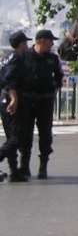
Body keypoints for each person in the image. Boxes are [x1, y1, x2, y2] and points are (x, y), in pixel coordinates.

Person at [18, 29, 63, 179]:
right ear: (42, 41)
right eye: (51, 41)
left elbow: (59, 76)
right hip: (27, 99)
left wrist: (55, 88)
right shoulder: (25, 56)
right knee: (25, 134)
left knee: (45, 134)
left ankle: (43, 166)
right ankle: (24, 166)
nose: (52, 44)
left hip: (45, 100)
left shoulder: (53, 58)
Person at [0, 31, 32, 182]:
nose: (27, 45)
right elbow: (10, 79)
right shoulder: (17, 59)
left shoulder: (6, 58)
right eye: (25, 43)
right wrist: (14, 98)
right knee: (16, 137)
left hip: (3, 97)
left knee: (11, 135)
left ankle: (14, 170)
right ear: (20, 44)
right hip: (12, 97)